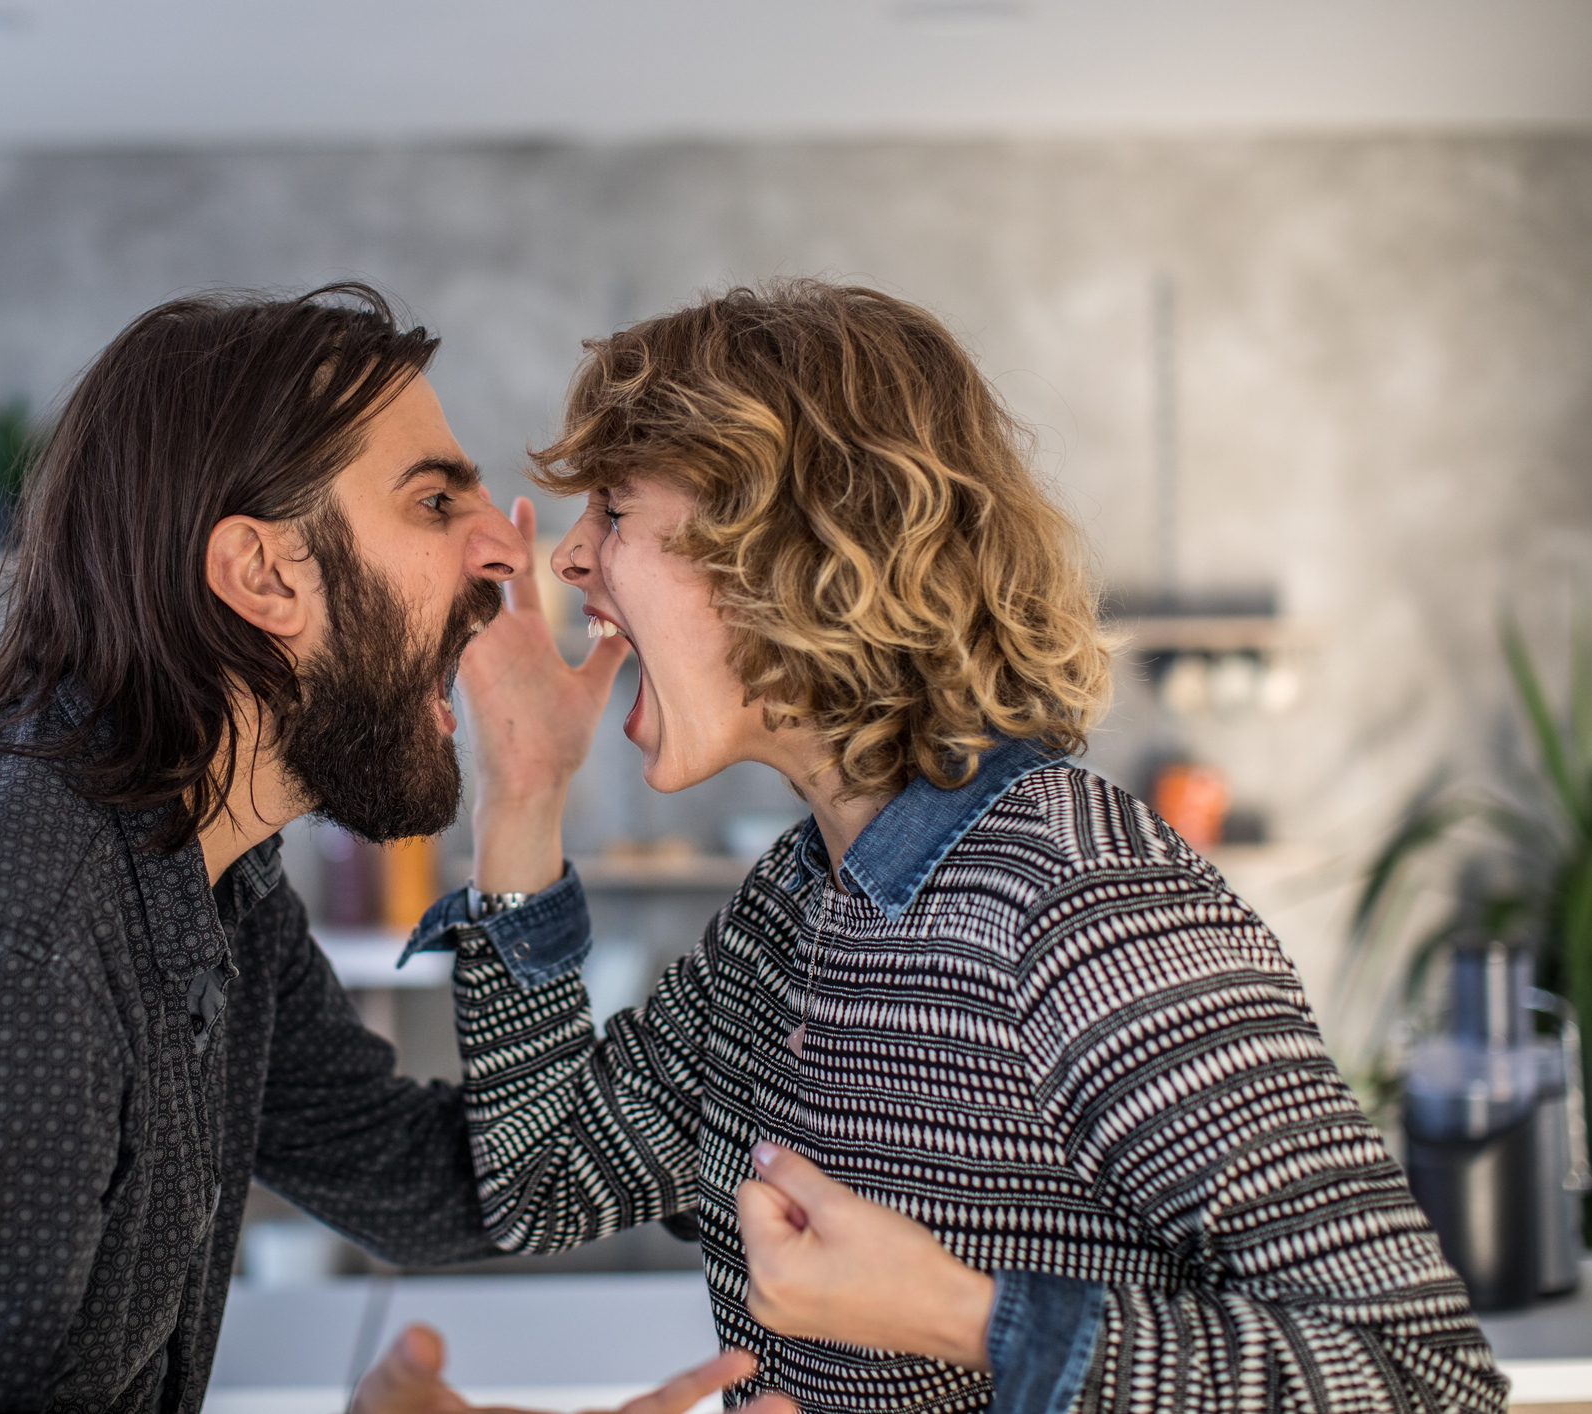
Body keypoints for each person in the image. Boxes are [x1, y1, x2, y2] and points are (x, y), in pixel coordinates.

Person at [0, 285, 724, 1414]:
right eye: (436, 503)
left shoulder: (206, 871)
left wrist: (528, 798)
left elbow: (446, 1185)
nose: (508, 551)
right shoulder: (9, 928)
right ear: (262, 575)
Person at [419, 281, 1508, 1414]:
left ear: (789, 544)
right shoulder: (794, 907)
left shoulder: (1086, 907)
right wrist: (525, 791)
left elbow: (1425, 1381)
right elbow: (542, 1178)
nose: (574, 561)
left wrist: (965, 1317)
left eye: (611, 507)